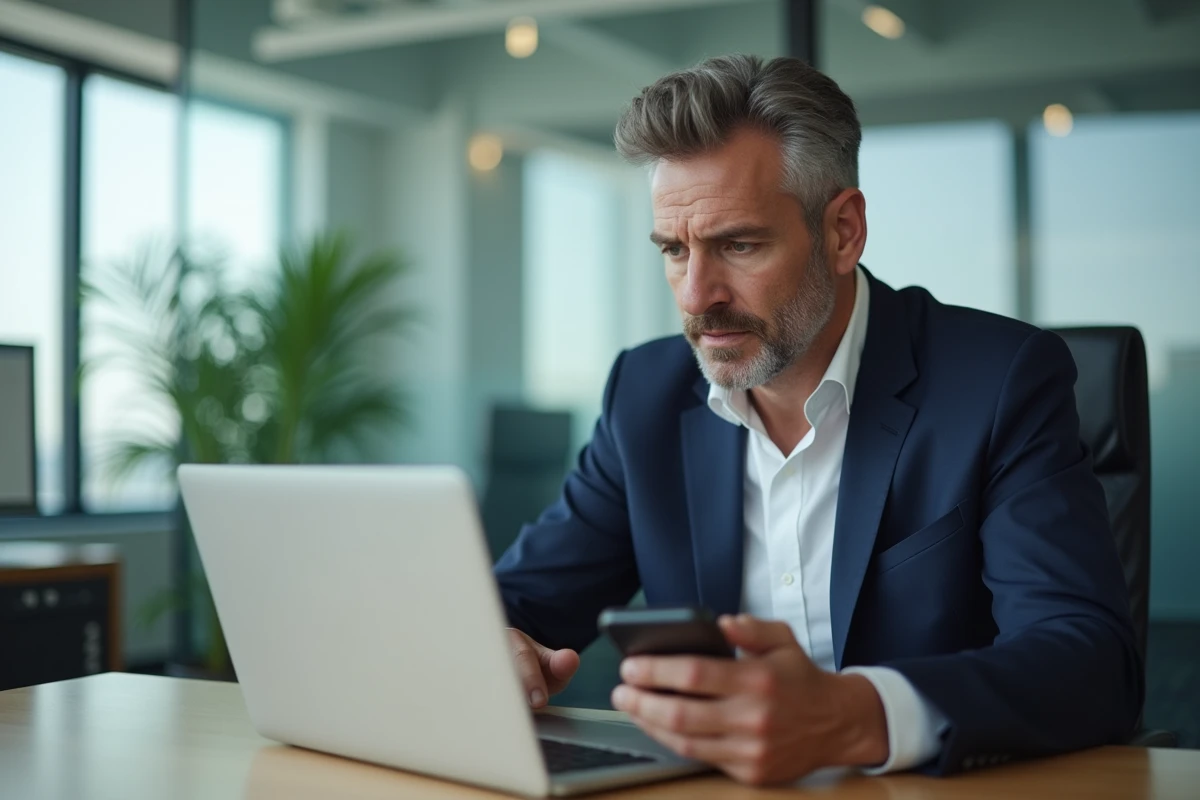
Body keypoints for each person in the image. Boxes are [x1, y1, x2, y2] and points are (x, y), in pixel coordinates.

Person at [494, 54, 1141, 786]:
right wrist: (492, 642)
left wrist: (854, 714)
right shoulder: (645, 394)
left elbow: (1090, 661)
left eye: (738, 244)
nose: (697, 294)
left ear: (842, 232)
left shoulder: (998, 381)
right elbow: (517, 602)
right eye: (674, 250)